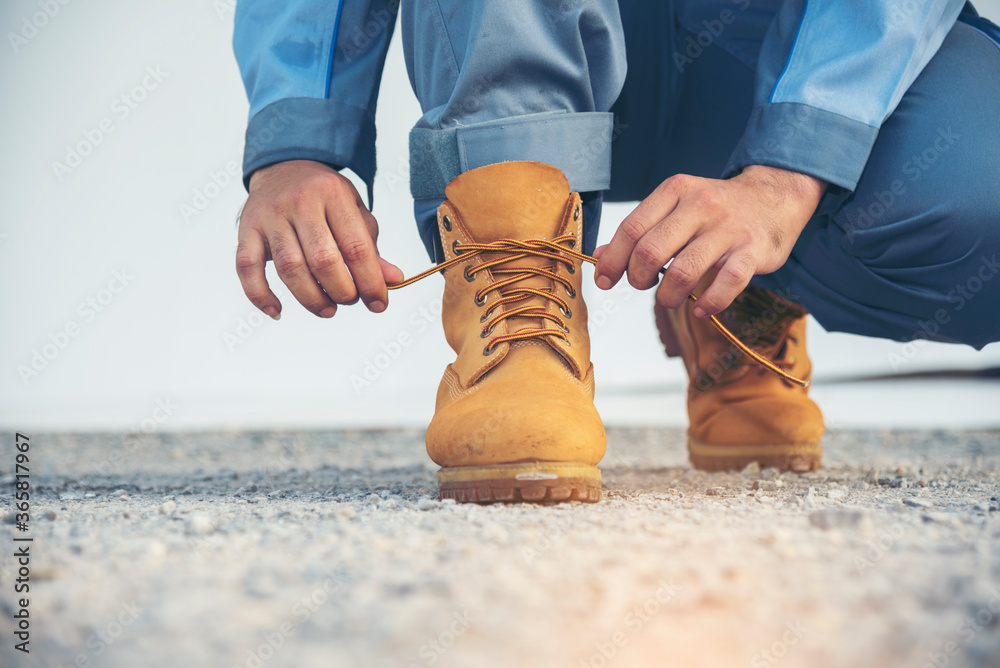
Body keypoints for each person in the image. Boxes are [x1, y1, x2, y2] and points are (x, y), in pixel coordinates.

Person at [232, 1, 1000, 503]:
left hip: (774, 41)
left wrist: (794, 169)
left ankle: (739, 291)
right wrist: (297, 139)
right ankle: (521, 310)